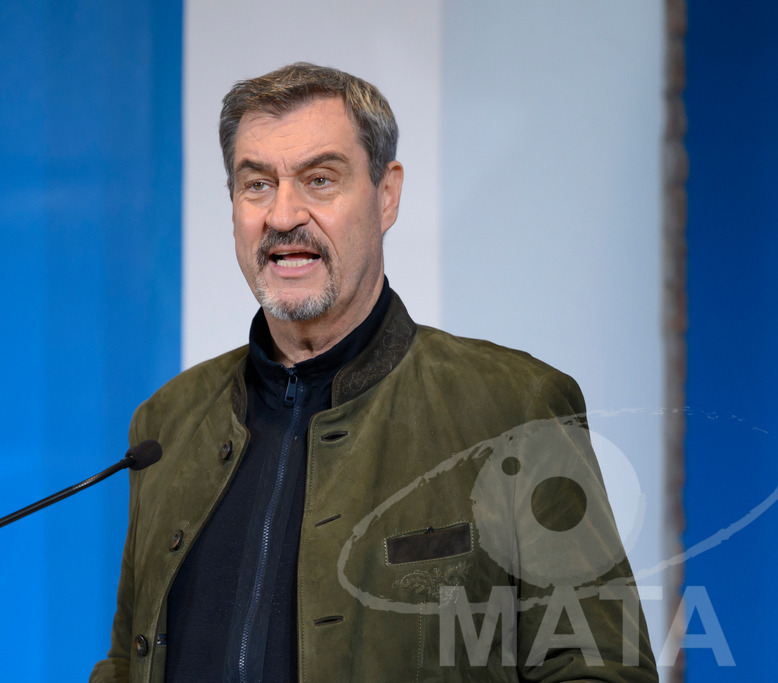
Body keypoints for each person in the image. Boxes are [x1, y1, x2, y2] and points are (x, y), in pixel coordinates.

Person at [90, 62, 657, 682]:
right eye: (257, 184)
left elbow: (603, 670)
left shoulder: (514, 407)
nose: (283, 216)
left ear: (386, 195)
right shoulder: (166, 425)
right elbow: (125, 664)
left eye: (320, 179)